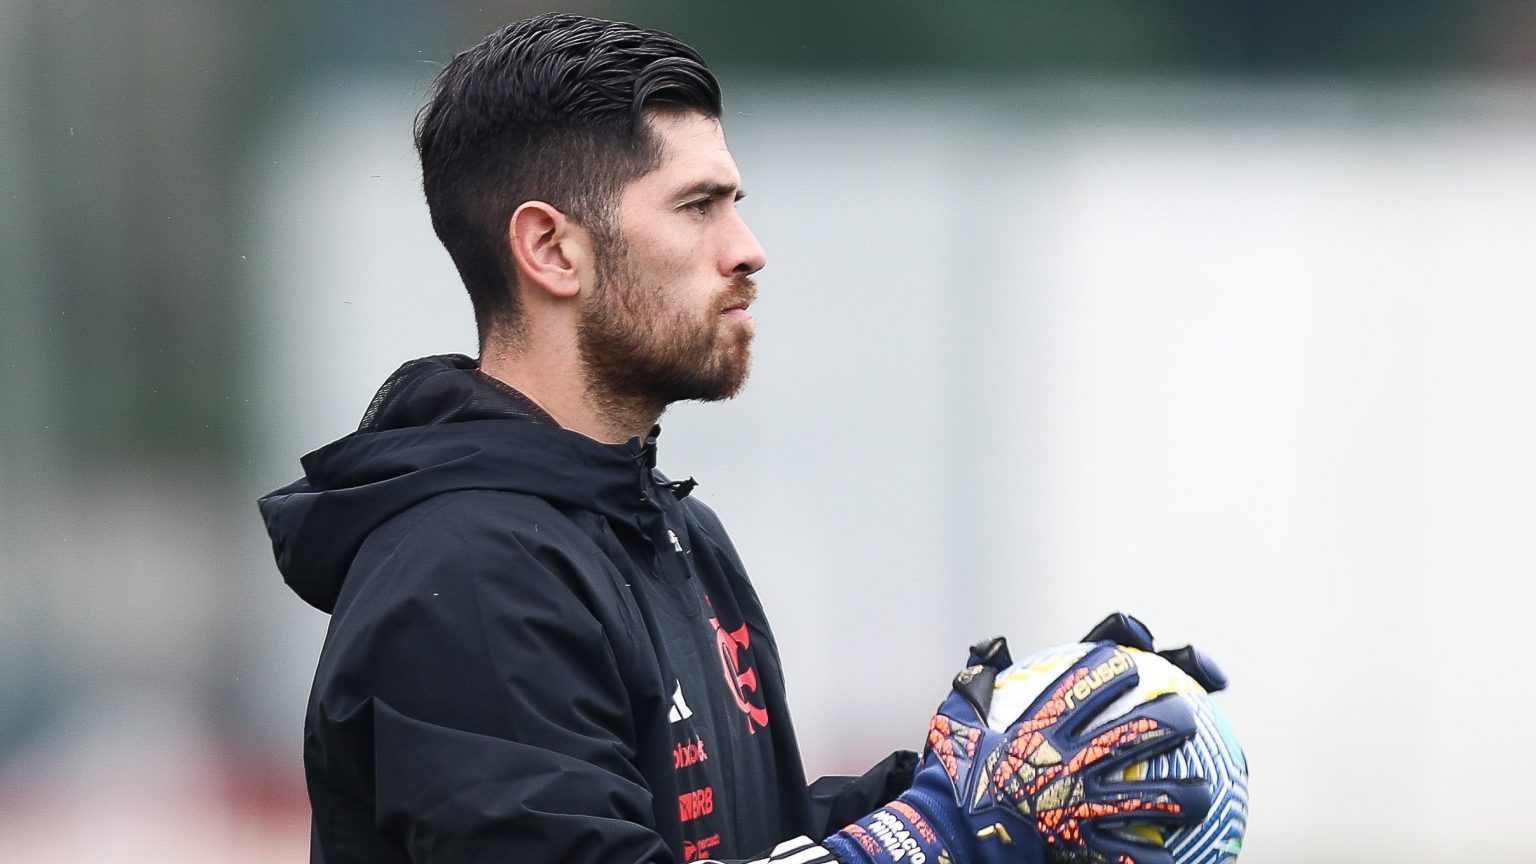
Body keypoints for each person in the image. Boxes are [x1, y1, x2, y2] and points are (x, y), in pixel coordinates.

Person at [259, 13, 1212, 864]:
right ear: (552, 249)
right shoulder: (466, 573)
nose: (747, 246)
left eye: (734, 202)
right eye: (697, 205)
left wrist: (987, 774)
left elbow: (749, 842)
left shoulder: (671, 529)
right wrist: (934, 839)